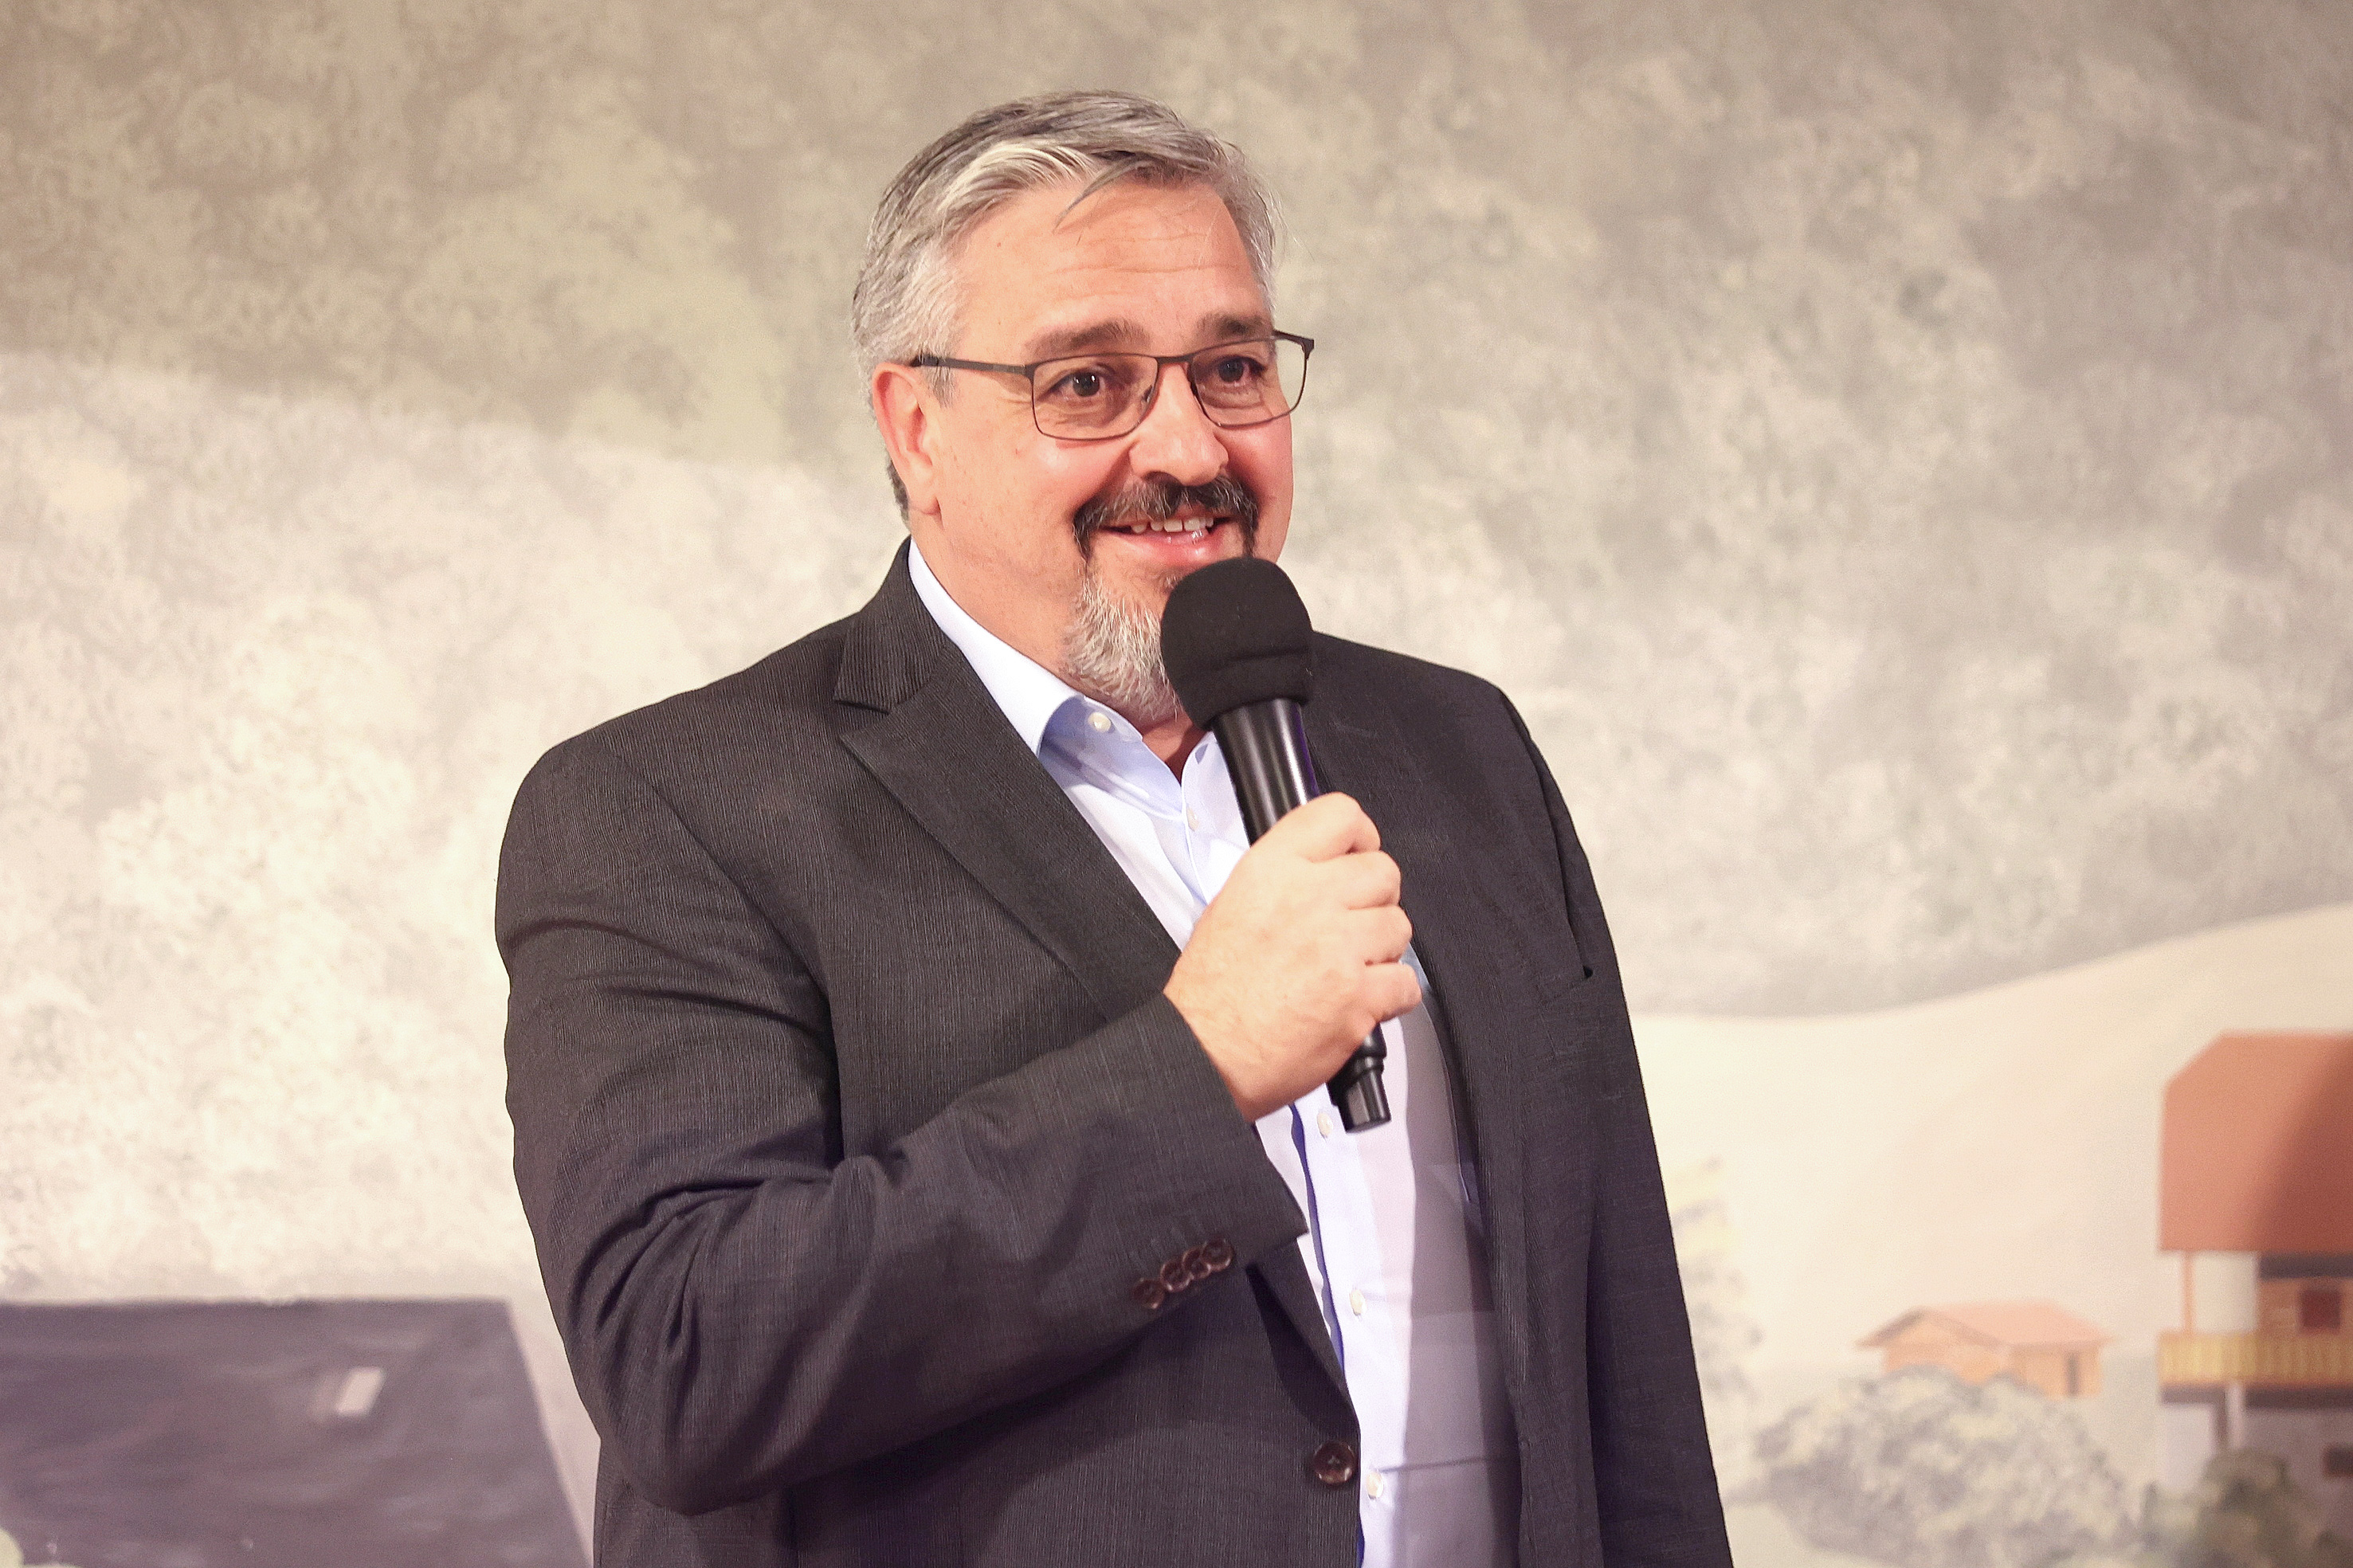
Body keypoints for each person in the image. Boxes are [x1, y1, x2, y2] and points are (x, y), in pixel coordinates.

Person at [499, 90, 1731, 1567]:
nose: (1190, 447)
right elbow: (686, 1359)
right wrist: (1198, 1066)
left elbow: (1616, 1332)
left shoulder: (1458, 746)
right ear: (916, 427)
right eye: (1086, 382)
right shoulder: (668, 805)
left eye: (1230, 368)